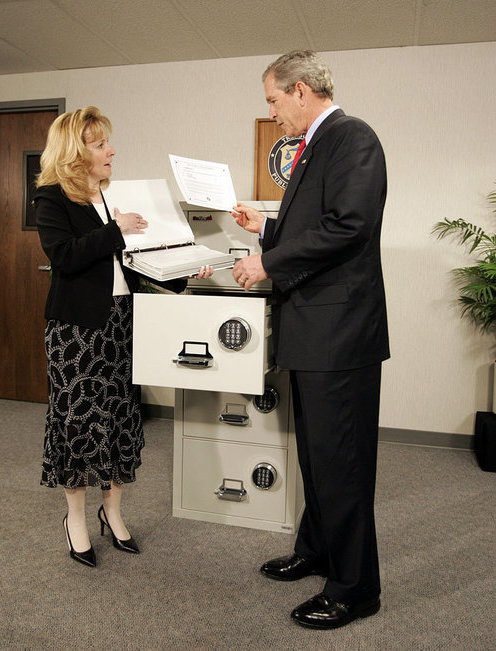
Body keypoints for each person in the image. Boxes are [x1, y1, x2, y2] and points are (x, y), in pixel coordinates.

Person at [232, 51, 389, 629]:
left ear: (301, 90)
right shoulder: (318, 144)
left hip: (340, 335)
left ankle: (355, 588)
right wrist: (267, 228)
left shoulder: (353, 138)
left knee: (341, 462)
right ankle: (318, 551)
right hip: (315, 330)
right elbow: (317, 224)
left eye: (273, 100)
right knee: (317, 456)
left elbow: (349, 226)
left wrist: (267, 262)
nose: (272, 113)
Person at [35, 106, 212, 568]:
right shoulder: (53, 199)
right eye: (99, 144)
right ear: (76, 152)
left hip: (121, 323)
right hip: (75, 329)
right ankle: (75, 518)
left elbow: (141, 260)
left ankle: (111, 511)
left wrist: (187, 269)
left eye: (107, 142)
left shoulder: (119, 196)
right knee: (76, 423)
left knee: (118, 419)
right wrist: (117, 230)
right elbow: (64, 256)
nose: (111, 150)